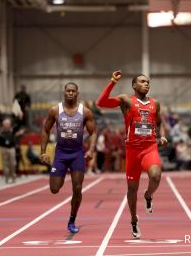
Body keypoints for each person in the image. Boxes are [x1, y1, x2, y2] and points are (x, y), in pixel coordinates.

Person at [97, 70, 168, 238]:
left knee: (156, 176)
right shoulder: (126, 100)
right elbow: (101, 102)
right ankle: (134, 220)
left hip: (149, 147)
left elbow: (160, 122)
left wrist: (163, 135)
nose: (146, 84)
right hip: (132, 150)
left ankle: (148, 195)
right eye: (142, 81)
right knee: (132, 189)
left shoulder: (155, 103)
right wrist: (112, 81)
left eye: (148, 82)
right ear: (134, 85)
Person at [40, 82, 97, 234]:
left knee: (77, 188)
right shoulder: (55, 110)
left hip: (77, 153)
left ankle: (72, 220)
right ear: (64, 92)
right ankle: (59, 174)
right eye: (68, 91)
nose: (70, 93)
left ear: (78, 93)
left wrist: (91, 150)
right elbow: (45, 130)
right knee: (54, 189)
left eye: (73, 91)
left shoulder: (85, 112)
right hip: (60, 153)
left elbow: (93, 133)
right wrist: (43, 152)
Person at [0, 118, 18, 184]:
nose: (6, 126)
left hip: (11, 149)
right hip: (4, 149)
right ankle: (7, 178)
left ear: (10, 125)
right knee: (5, 164)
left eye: (8, 124)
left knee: (12, 164)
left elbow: (17, 125)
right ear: (3, 125)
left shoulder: (13, 131)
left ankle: (13, 177)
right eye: (5, 124)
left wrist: (17, 117)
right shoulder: (1, 133)